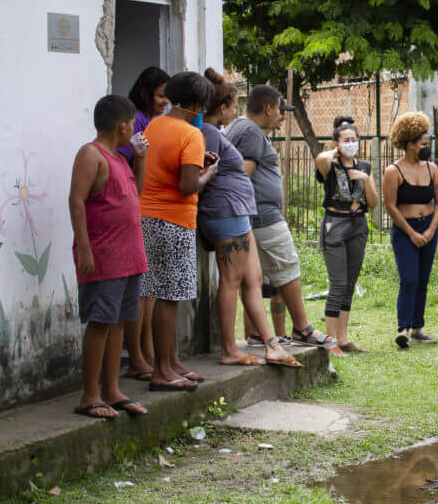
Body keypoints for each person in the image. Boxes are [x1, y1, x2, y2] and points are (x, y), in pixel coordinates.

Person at [200, 69, 301, 369]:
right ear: (223, 108)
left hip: (239, 213)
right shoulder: (213, 131)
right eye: (233, 106)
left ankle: (270, 344)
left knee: (254, 280)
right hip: (227, 212)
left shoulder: (217, 132)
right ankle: (229, 349)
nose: (235, 113)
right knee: (232, 282)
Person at [225, 85, 333, 348]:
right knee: (287, 269)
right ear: (268, 108)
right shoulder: (250, 131)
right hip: (264, 216)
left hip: (253, 216)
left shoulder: (238, 127)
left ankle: (254, 334)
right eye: (281, 111)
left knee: (256, 278)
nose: (283, 117)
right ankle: (302, 328)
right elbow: (242, 175)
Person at [69, 95, 150, 418]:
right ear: (122, 125)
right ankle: (90, 394)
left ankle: (112, 389)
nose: (134, 129)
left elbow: (136, 194)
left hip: (128, 257)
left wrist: (140, 158)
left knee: (118, 323)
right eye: (132, 123)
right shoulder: (91, 155)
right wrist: (84, 247)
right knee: (101, 322)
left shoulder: (118, 158)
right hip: (103, 256)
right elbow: (76, 202)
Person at [140, 71, 218, 391]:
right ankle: (162, 371)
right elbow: (188, 185)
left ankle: (170, 363)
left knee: (162, 293)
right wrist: (208, 174)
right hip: (174, 221)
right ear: (197, 104)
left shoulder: (154, 124)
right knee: (169, 298)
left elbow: (162, 168)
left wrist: (197, 163)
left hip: (147, 217)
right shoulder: (190, 134)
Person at [118, 66, 170, 383]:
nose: (165, 101)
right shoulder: (136, 121)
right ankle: (136, 357)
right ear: (145, 92)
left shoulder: (153, 121)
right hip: (139, 206)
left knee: (149, 289)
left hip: (152, 206)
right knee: (141, 289)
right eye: (161, 95)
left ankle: (146, 354)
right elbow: (131, 161)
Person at [314, 115, 379, 357]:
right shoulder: (330, 165)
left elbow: (373, 203)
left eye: (355, 139)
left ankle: (343, 338)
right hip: (335, 224)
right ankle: (330, 341)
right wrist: (336, 149)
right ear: (337, 143)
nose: (352, 142)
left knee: (349, 285)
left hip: (358, 225)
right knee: (338, 284)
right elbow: (320, 159)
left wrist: (364, 179)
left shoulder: (365, 167)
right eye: (346, 139)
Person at [382, 112, 438, 348]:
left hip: (429, 227)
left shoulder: (432, 168)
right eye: (422, 143)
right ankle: (403, 328)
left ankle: (418, 328)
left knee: (422, 279)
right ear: (409, 144)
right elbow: (390, 206)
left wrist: (430, 230)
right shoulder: (393, 171)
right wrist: (411, 233)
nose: (426, 146)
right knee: (409, 279)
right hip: (404, 230)